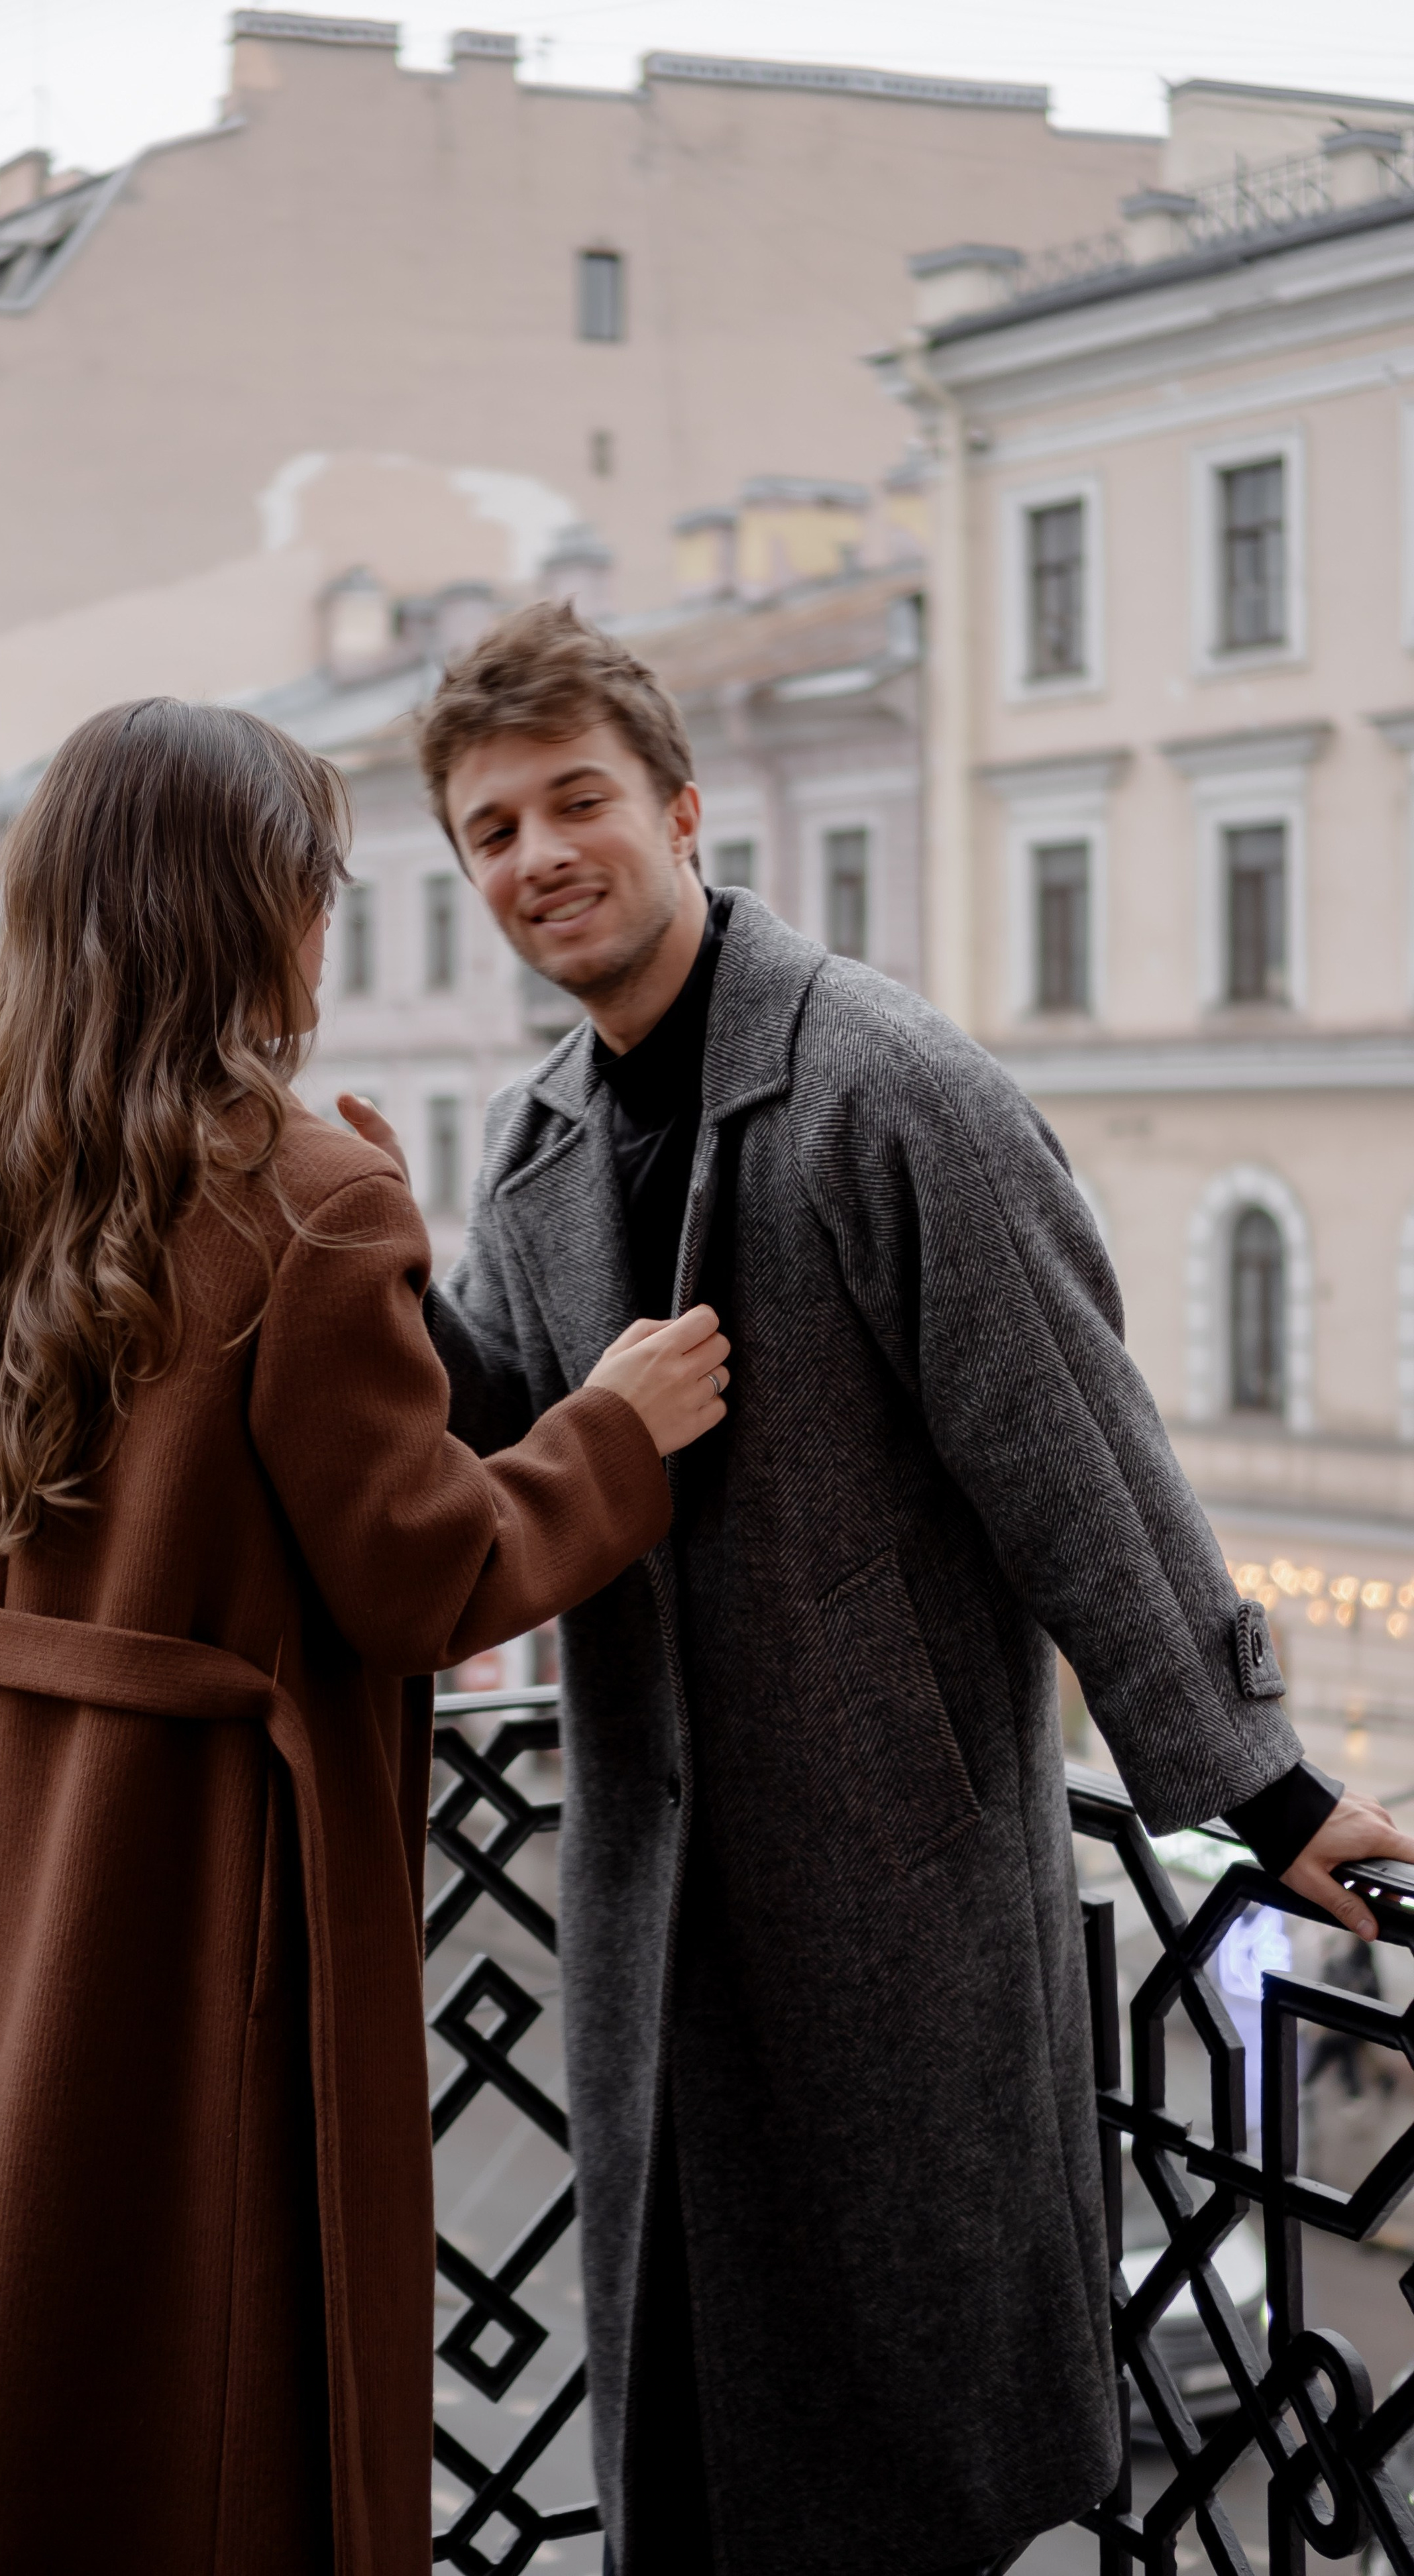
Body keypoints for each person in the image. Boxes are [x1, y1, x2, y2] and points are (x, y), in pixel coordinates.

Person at [339, 602, 1414, 2576]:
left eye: (576, 803)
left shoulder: (889, 1082)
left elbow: (1076, 1460)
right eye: (491, 832)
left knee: (902, 2464)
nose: (537, 859)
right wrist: (353, 1262)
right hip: (655, 1919)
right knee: (701, 2431)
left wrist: (1263, 1790)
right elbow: (494, 1409)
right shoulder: (537, 1131)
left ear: (678, 811)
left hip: (892, 1908)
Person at [0, 698, 730, 2576]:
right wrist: (612, 1439)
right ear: (257, 915)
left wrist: (367, 1245)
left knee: (4, 2356)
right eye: (313, 889)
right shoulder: (306, 1195)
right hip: (193, 1908)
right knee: (205, 2403)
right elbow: (421, 1579)